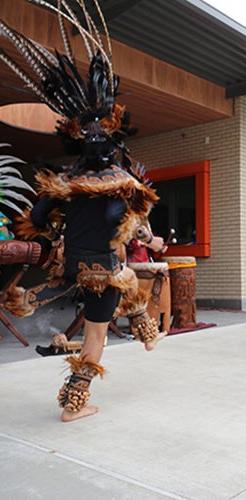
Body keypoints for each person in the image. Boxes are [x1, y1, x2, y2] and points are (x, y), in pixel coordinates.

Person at [2, 1, 166, 422]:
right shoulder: (123, 189)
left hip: (77, 266)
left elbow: (35, 222)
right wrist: (146, 237)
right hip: (102, 270)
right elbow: (130, 225)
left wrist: (55, 234)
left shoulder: (64, 187)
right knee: (97, 336)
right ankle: (74, 401)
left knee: (126, 281)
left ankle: (146, 331)